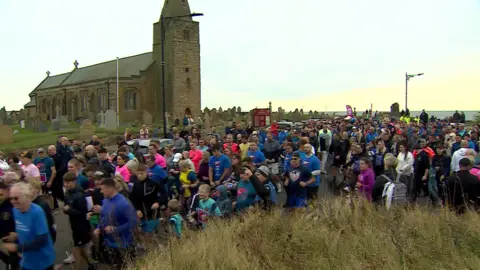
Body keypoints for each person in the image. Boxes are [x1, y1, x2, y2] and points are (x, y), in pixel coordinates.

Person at [2, 182, 55, 270]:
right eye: (11, 198)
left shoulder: (37, 212)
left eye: (16, 198)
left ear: (26, 196)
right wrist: (16, 236)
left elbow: (42, 240)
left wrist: (18, 248)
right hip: (26, 259)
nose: (12, 201)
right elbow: (26, 229)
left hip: (42, 260)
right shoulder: (15, 210)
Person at [94, 178, 137, 269]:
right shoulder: (105, 200)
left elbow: (133, 221)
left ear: (109, 189)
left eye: (102, 189)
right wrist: (98, 227)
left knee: (125, 267)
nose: (101, 191)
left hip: (123, 244)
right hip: (109, 242)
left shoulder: (123, 203)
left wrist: (115, 229)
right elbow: (104, 216)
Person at [63, 172, 96, 270]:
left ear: (74, 181)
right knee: (80, 248)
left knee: (77, 248)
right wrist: (66, 210)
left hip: (82, 225)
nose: (66, 185)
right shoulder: (67, 193)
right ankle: (91, 264)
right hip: (74, 224)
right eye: (65, 182)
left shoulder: (80, 194)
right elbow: (66, 207)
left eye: (68, 182)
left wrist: (69, 210)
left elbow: (83, 212)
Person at [130, 164, 167, 241]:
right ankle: (151, 247)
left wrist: (158, 203)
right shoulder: (136, 184)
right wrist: (137, 209)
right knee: (139, 232)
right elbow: (133, 198)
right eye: (138, 173)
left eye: (142, 173)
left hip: (152, 212)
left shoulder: (153, 183)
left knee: (149, 234)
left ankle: (153, 249)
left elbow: (164, 194)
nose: (139, 175)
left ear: (146, 173)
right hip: (140, 213)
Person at [0, 182, 18, 270]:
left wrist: (16, 233)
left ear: (7, 191)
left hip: (17, 241)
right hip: (5, 239)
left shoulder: (15, 204)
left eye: (1, 194)